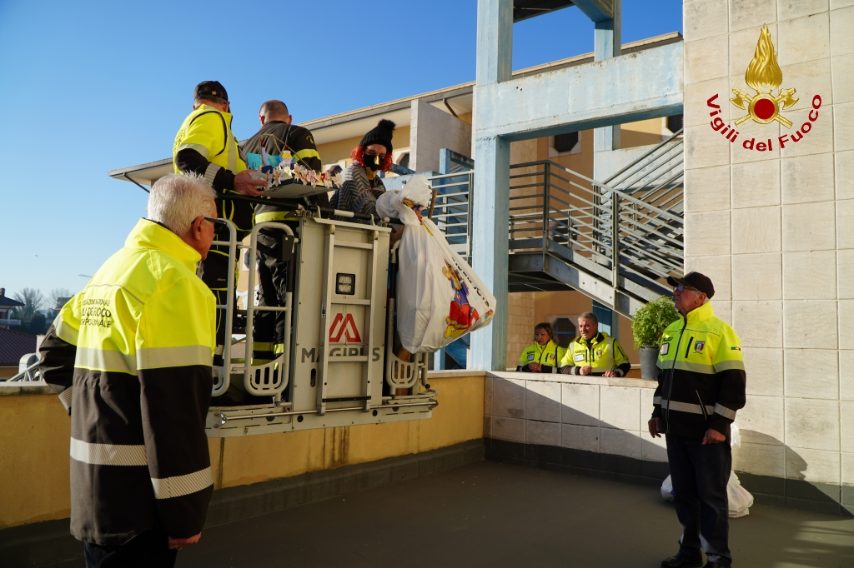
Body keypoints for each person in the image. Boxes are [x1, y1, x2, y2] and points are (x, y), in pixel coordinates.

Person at [37, 173, 218, 567]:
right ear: (198, 225)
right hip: (142, 508)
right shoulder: (176, 284)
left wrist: (89, 411)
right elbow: (175, 411)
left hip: (95, 495)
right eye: (214, 225)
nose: (214, 236)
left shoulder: (111, 270)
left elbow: (52, 354)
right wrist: (185, 514)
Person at [648, 272, 746, 568]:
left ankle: (718, 559)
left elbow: (734, 384)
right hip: (675, 431)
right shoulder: (671, 331)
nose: (676, 292)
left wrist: (719, 425)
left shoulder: (720, 332)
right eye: (675, 288)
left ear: (702, 297)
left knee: (711, 498)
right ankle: (689, 553)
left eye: (683, 288)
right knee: (684, 495)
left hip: (706, 435)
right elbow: (663, 380)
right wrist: (656, 414)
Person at [172, 80, 267, 357]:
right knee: (215, 296)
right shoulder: (213, 118)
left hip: (208, 226)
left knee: (210, 296)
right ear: (227, 105)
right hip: (215, 227)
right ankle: (211, 363)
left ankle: (208, 358)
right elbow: (187, 159)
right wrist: (233, 180)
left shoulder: (196, 121)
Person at [240, 99, 325, 361]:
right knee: (289, 296)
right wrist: (327, 216)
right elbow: (312, 177)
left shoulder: (245, 146)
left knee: (266, 297)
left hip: (260, 228)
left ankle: (260, 365)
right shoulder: (297, 133)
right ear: (289, 118)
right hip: (290, 225)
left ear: (261, 119)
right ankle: (283, 366)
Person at [330, 119, 395, 216]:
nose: (376, 160)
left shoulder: (378, 182)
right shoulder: (352, 172)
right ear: (362, 152)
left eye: (381, 156)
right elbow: (365, 207)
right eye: (371, 153)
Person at [559, 311, 630, 377]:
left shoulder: (611, 342)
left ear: (596, 326)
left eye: (587, 326)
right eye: (580, 326)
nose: (583, 330)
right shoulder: (573, 344)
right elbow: (563, 367)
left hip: (605, 385)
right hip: (581, 385)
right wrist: (578, 371)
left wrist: (616, 373)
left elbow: (625, 364)